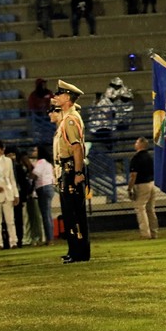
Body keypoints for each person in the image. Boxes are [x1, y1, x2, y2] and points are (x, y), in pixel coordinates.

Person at [53, 80, 90, 263]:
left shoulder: (70, 120)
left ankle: (79, 251)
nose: (56, 97)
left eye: (59, 94)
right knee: (70, 213)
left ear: (67, 97)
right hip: (67, 168)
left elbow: (77, 148)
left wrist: (77, 172)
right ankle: (75, 250)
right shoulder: (67, 118)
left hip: (70, 168)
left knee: (74, 213)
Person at [127, 137, 158, 239]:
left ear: (140, 145)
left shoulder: (136, 158)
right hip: (151, 184)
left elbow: (133, 175)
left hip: (141, 185)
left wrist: (130, 188)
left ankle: (145, 233)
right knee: (150, 209)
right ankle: (154, 233)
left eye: (136, 142)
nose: (135, 144)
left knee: (140, 209)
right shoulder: (150, 157)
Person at [33, 143, 57, 245]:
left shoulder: (41, 162)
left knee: (45, 214)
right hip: (49, 187)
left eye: (35, 150)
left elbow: (35, 175)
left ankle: (50, 238)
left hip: (43, 187)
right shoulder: (48, 163)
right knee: (47, 213)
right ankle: (49, 237)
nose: (33, 152)